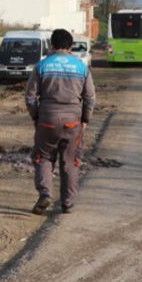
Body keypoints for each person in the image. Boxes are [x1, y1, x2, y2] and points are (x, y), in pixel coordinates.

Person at [26, 29, 95, 215]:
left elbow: (30, 97)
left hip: (47, 120)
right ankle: (67, 203)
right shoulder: (81, 67)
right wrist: (85, 119)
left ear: (52, 45)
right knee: (70, 161)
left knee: (43, 158)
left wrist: (36, 117)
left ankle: (45, 193)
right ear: (71, 46)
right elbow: (90, 98)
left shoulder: (41, 66)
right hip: (73, 121)